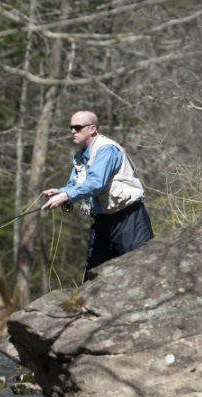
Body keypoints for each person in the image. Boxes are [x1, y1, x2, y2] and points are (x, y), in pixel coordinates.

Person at [42, 110, 154, 281]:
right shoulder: (80, 156)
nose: (72, 131)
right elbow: (75, 186)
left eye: (78, 127)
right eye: (71, 127)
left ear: (92, 129)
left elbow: (96, 183)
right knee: (93, 278)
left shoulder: (106, 150)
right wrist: (61, 191)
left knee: (142, 272)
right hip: (103, 222)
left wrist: (66, 196)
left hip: (128, 219)